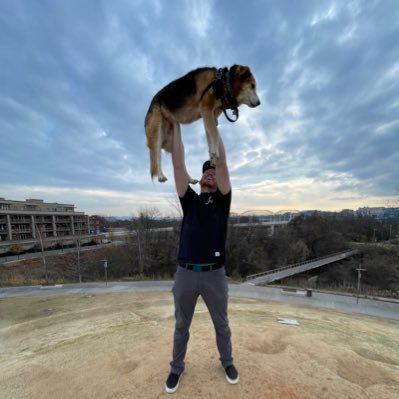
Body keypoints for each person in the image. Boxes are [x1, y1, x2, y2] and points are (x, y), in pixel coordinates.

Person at [164, 125, 239, 394]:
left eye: (214, 170)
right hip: (185, 273)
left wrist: (212, 127)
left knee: (222, 324)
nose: (210, 171)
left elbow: (224, 163)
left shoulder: (223, 201)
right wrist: (176, 130)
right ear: (200, 177)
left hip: (215, 274)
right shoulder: (190, 201)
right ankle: (176, 368)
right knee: (181, 325)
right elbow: (177, 164)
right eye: (206, 170)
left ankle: (227, 363)